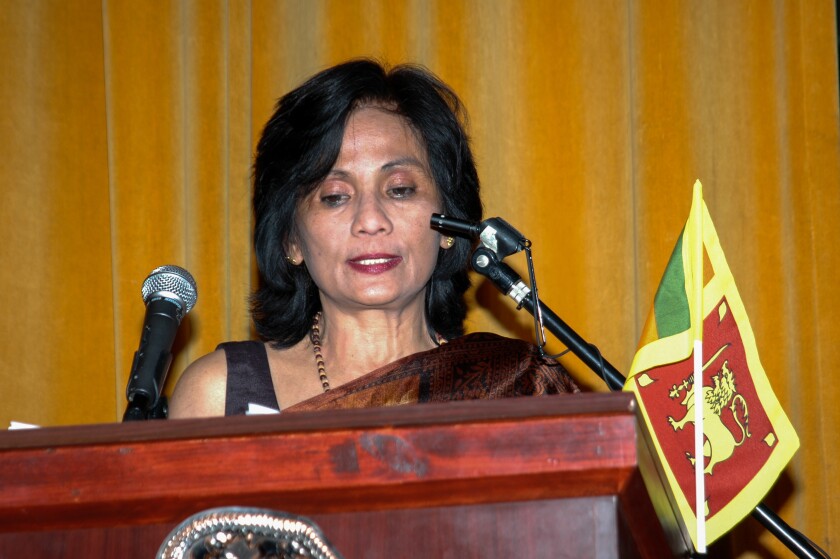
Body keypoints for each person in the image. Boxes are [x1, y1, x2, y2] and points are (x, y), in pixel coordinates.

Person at [169, 59, 577, 419]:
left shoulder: (515, 388)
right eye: (334, 196)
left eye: (400, 189)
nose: (370, 220)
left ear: (450, 226)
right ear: (291, 240)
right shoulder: (221, 395)